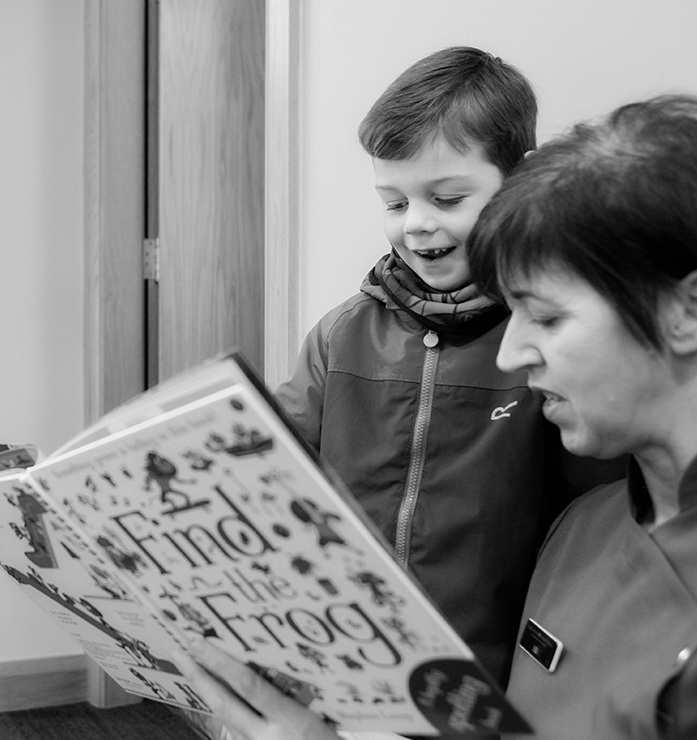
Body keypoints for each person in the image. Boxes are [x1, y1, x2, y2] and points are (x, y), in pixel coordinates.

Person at [177, 93, 697, 740]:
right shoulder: (583, 537)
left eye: (549, 316)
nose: (513, 351)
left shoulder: (592, 505)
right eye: (394, 203)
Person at [272, 46, 613, 688]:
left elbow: (597, 521)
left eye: (448, 197)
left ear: (521, 181)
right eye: (395, 204)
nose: (418, 225)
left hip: (495, 683)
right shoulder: (342, 337)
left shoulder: (548, 342)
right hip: (349, 672)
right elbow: (277, 478)